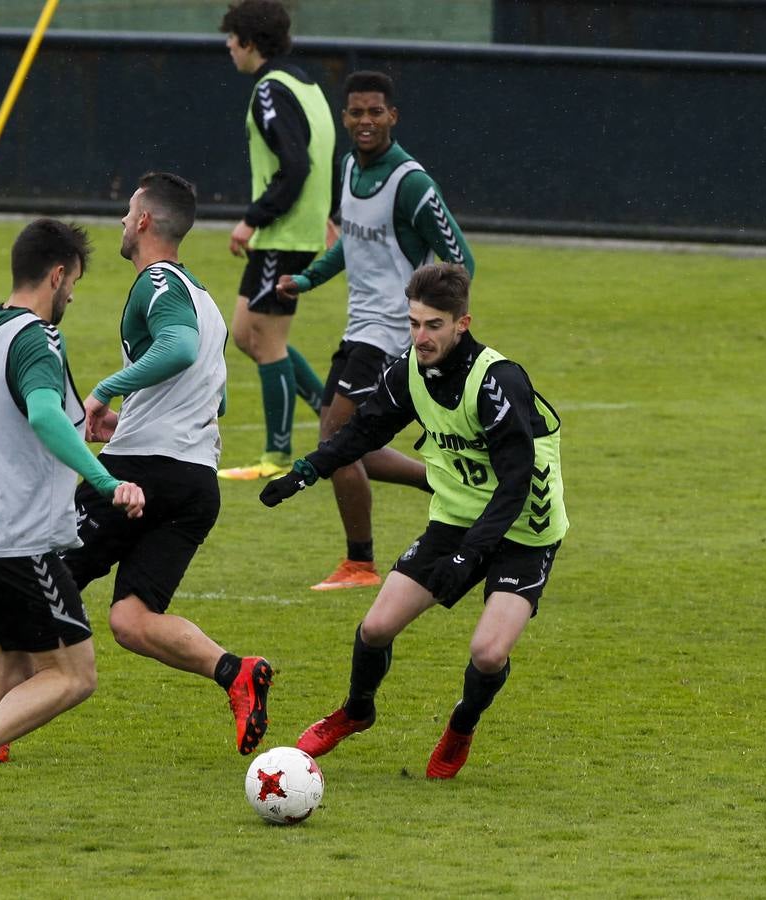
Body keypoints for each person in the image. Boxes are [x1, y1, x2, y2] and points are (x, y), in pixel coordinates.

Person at [260, 263, 566, 779]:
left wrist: (470, 556)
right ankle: (357, 711)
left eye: (433, 326)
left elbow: (514, 485)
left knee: (488, 654)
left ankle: (461, 727)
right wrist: (308, 470)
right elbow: (365, 430)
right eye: (413, 323)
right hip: (453, 521)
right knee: (376, 626)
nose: (420, 337)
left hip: (524, 530)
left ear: (461, 324)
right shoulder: (409, 369)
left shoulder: (498, 382)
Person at [0, 219, 146, 845]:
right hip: (15, 541)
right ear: (58, 274)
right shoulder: (39, 339)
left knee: (11, 675)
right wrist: (104, 481)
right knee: (74, 676)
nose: (71, 298)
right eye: (74, 285)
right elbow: (41, 412)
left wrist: (81, 427)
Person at [61, 172, 275, 757]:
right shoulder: (206, 301)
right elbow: (218, 396)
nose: (123, 223)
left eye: (129, 213)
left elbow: (176, 350)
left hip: (143, 471)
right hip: (194, 484)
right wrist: (140, 407)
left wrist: (106, 391)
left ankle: (0, 719)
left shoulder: (155, 282)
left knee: (43, 574)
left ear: (147, 221)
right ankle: (237, 671)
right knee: (132, 620)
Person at [276, 70, 476, 591]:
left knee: (335, 438)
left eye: (376, 112)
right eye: (357, 113)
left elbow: (461, 260)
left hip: (389, 332)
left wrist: (439, 330)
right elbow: (352, 244)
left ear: (393, 116)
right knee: (351, 443)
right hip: (358, 325)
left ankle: (360, 564)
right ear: (345, 118)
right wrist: (308, 278)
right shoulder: (348, 167)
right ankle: (449, 483)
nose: (366, 121)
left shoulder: (411, 183)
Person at [217, 0, 336, 481]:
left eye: (232, 38)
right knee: (247, 334)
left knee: (265, 341)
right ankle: (335, 417)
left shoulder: (270, 90)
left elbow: (297, 164)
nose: (228, 47)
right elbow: (317, 154)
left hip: (281, 232)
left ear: (249, 42)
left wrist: (252, 219)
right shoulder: (305, 84)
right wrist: (327, 216)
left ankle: (277, 455)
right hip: (295, 230)